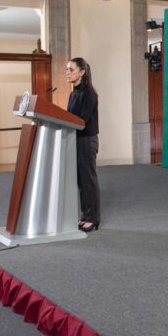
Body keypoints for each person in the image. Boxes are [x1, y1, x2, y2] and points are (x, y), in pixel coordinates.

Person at [65, 58, 100, 232]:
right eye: (67, 69)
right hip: (75, 139)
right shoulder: (73, 93)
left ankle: (93, 218)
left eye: (71, 69)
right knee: (80, 180)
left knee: (88, 179)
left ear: (82, 72)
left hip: (87, 140)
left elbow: (82, 120)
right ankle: (85, 215)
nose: (67, 72)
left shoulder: (89, 94)